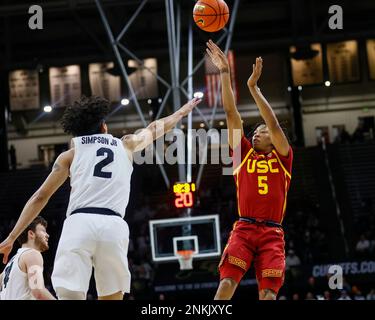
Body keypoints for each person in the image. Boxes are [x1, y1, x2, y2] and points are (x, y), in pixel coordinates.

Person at [0, 95, 201, 300]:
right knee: (112, 296)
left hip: (79, 223)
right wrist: (181, 112)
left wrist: (11, 237)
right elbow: (154, 128)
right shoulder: (125, 145)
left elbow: (40, 197)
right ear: (104, 127)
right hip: (113, 226)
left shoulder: (70, 154)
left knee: (70, 296)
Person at [206, 40, 293, 300]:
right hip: (244, 229)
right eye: (254, 132)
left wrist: (253, 88)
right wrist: (223, 73)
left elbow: (274, 124)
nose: (256, 134)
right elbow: (231, 113)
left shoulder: (283, 159)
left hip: (272, 232)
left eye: (261, 132)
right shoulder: (242, 155)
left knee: (268, 293)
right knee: (226, 284)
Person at [0, 216, 55, 300]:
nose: (47, 235)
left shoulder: (10, 264)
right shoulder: (32, 254)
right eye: (43, 231)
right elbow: (38, 292)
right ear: (31, 234)